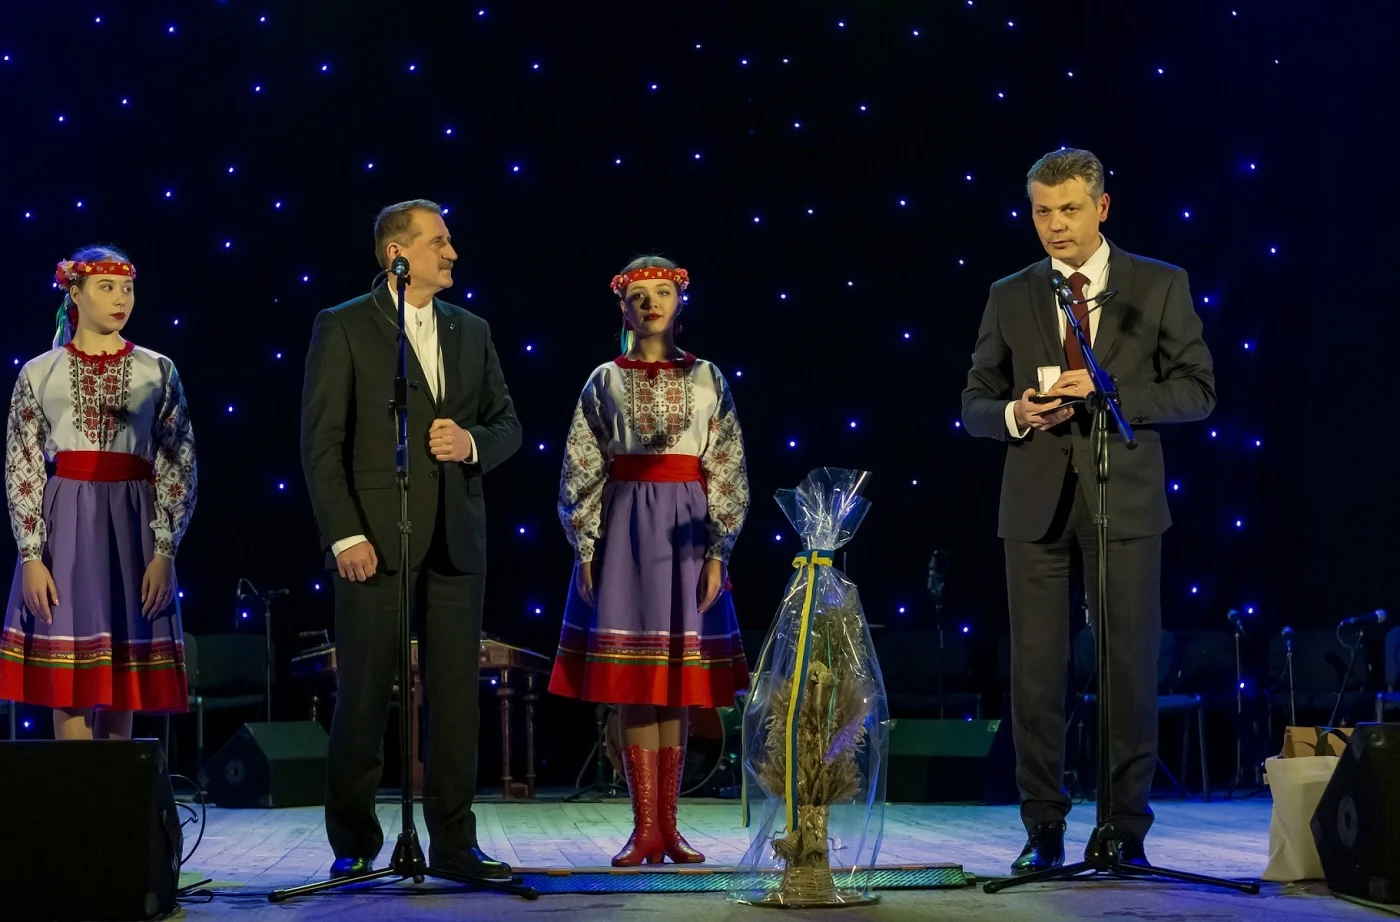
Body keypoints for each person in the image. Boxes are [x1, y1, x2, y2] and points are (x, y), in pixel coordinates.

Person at [961, 149, 1216, 872]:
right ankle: (1043, 827)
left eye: (1069, 210)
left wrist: (1112, 395)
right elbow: (974, 402)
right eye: (1042, 211)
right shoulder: (1010, 292)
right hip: (1034, 507)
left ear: (1101, 207)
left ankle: (1124, 828)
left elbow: (1198, 391)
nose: (1055, 225)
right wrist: (1014, 413)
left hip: (1123, 500)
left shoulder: (1157, 284)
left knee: (1127, 668)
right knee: (1037, 674)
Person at [300, 200, 522, 880]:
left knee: (456, 700)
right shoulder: (343, 324)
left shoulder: (472, 329)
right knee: (364, 694)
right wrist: (345, 535)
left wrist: (470, 442)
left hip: (457, 537)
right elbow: (321, 443)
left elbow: (508, 424)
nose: (452, 252)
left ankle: (455, 843)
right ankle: (354, 841)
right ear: (396, 254)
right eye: (439, 241)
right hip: (374, 538)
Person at [549, 256, 751, 866]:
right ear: (623, 308)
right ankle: (644, 830)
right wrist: (586, 545)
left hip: (686, 530)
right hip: (627, 530)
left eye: (662, 292)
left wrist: (718, 551)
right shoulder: (603, 379)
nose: (651, 303)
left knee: (678, 685)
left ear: (679, 302)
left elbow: (727, 465)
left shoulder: (708, 377)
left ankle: (671, 825)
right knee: (637, 683)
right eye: (639, 295)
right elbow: (582, 465)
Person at [1, 246, 196, 740]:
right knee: (70, 682)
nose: (120, 299)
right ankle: (78, 790)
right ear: (75, 293)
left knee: (122, 680)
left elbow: (178, 462)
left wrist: (164, 551)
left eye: (127, 288)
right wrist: (31, 556)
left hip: (132, 524)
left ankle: (116, 790)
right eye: (106, 288)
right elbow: (22, 467)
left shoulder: (158, 369)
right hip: (66, 528)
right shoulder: (39, 372)